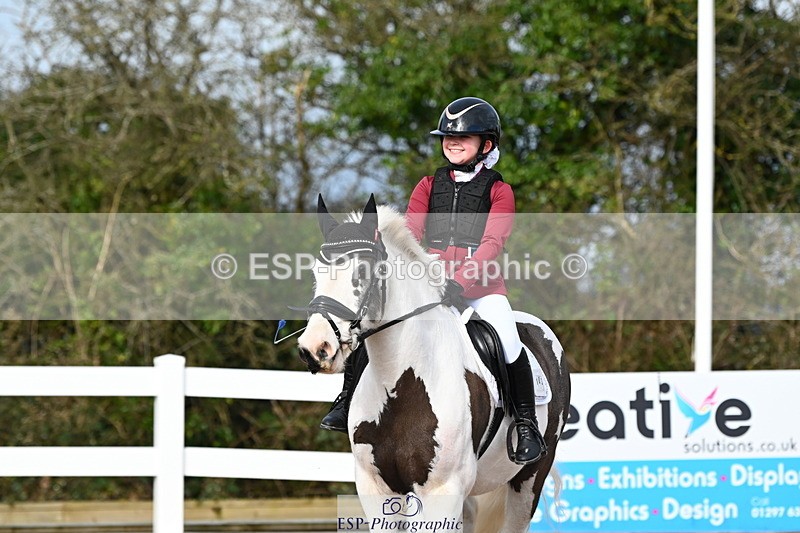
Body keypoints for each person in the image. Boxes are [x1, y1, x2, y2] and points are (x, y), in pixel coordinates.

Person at [320, 97, 545, 466]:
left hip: (481, 287)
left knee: (507, 340)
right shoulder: (428, 185)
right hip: (430, 282)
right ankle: (347, 400)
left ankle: (525, 423)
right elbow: (410, 235)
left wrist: (460, 279)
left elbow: (492, 243)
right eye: (448, 138)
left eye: (465, 138)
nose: (453, 143)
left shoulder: (498, 191)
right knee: (372, 323)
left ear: (486, 145)